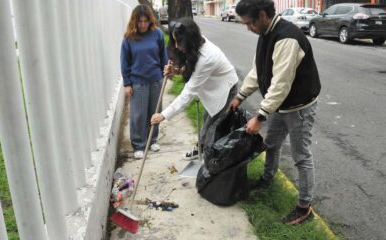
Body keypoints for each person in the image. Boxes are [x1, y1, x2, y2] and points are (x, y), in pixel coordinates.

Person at [229, 0, 321, 225]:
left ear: (262, 15)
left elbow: (281, 84)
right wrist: (241, 95)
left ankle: (304, 207)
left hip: (299, 107)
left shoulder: (287, 38)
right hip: (281, 105)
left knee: (301, 157)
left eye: (249, 23)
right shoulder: (265, 33)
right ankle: (267, 179)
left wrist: (260, 116)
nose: (248, 28)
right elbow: (257, 70)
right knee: (271, 143)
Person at [150, 18, 238, 159]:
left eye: (180, 42)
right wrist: (177, 71)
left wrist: (163, 115)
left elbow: (188, 93)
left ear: (190, 40)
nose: (177, 46)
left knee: (211, 127)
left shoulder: (207, 57)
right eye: (175, 41)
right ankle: (202, 149)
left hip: (224, 89)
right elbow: (192, 65)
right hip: (212, 85)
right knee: (206, 120)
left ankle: (210, 162)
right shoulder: (196, 44)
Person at [120, 4, 168, 159]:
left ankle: (152, 140)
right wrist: (127, 83)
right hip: (138, 82)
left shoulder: (157, 34)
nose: (142, 24)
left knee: (154, 112)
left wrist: (165, 72)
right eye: (139, 21)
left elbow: (163, 55)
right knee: (138, 115)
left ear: (150, 20)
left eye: (145, 21)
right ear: (135, 21)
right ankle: (139, 145)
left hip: (155, 79)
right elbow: (124, 62)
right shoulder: (129, 38)